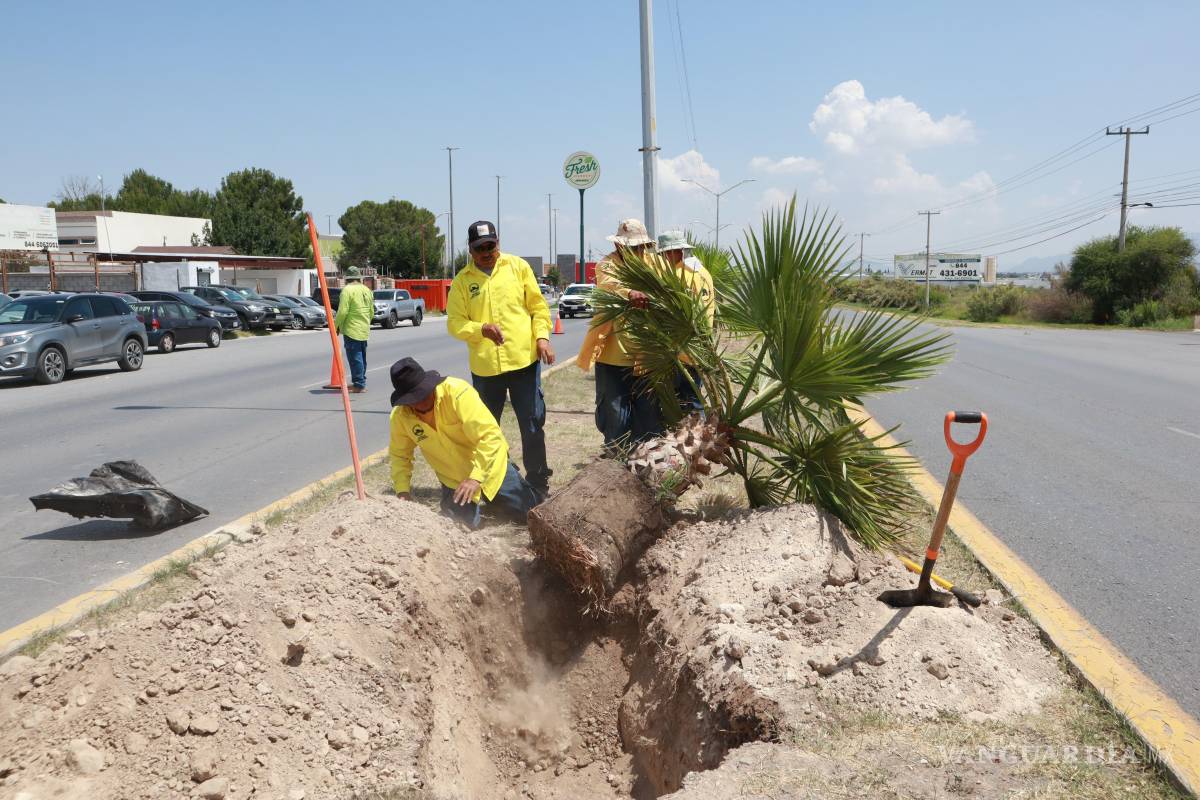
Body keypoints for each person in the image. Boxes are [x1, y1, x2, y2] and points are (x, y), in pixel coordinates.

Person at [447, 220, 555, 497]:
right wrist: (480, 329)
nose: (486, 252)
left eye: (490, 245)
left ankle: (538, 479)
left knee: (531, 424)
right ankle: (499, 480)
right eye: (479, 248)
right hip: (486, 369)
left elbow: (538, 308)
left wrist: (542, 338)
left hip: (523, 363)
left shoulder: (518, 267)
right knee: (486, 429)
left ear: (498, 243)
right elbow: (455, 324)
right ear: (470, 250)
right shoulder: (462, 281)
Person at [388, 357, 541, 528]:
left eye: (422, 394)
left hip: (490, 467)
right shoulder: (400, 416)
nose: (419, 402)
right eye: (412, 399)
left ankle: (502, 499)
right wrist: (402, 491)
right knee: (460, 526)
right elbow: (400, 456)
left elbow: (489, 436)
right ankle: (488, 506)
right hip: (455, 479)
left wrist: (475, 478)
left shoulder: (457, 392)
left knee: (534, 514)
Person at [579, 218, 662, 448]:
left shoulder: (655, 264)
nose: (636, 251)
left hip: (647, 355)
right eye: (630, 247)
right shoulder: (606, 265)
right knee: (615, 415)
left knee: (649, 415)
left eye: (639, 247)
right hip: (612, 355)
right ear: (618, 246)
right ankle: (616, 464)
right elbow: (609, 285)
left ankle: (644, 467)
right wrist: (630, 292)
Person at [656, 230, 716, 415]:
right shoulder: (702, 271)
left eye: (665, 254)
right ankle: (697, 437)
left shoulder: (680, 274)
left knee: (689, 400)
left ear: (675, 251)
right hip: (701, 346)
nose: (664, 258)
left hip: (683, 349)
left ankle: (696, 440)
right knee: (693, 397)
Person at [333, 266, 373, 393]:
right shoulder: (367, 290)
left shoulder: (347, 290)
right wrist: (366, 322)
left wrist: (336, 326)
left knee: (355, 357)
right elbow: (371, 311)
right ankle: (360, 381)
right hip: (364, 329)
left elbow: (342, 311)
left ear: (347, 278)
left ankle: (359, 384)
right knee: (361, 356)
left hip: (351, 329)